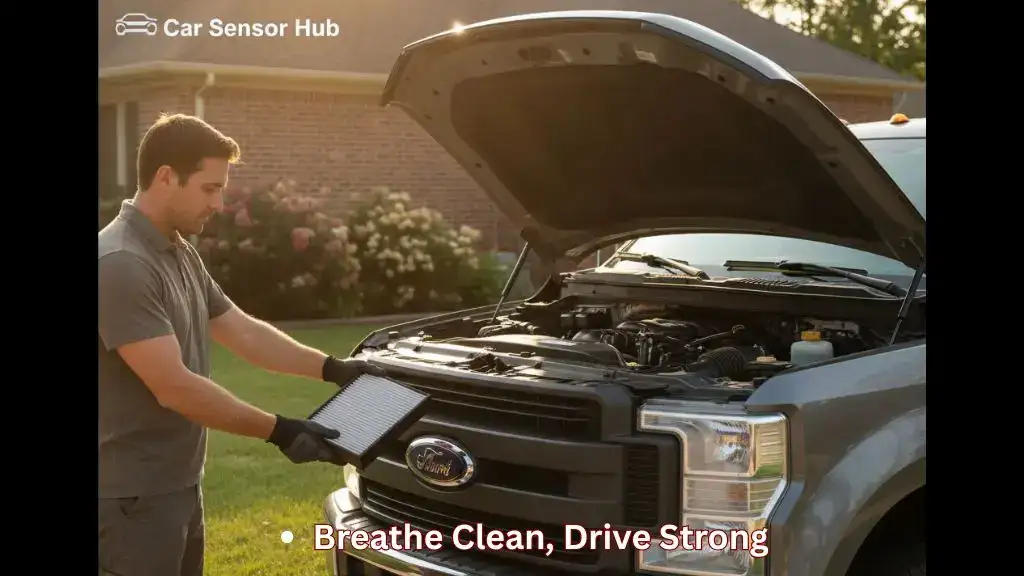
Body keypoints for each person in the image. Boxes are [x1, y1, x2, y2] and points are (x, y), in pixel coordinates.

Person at [98, 113, 383, 576]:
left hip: (175, 485)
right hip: (131, 497)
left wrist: (333, 369)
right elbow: (174, 387)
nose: (220, 202)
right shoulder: (121, 263)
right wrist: (280, 430)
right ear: (166, 177)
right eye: (210, 188)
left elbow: (242, 331)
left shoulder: (175, 249)